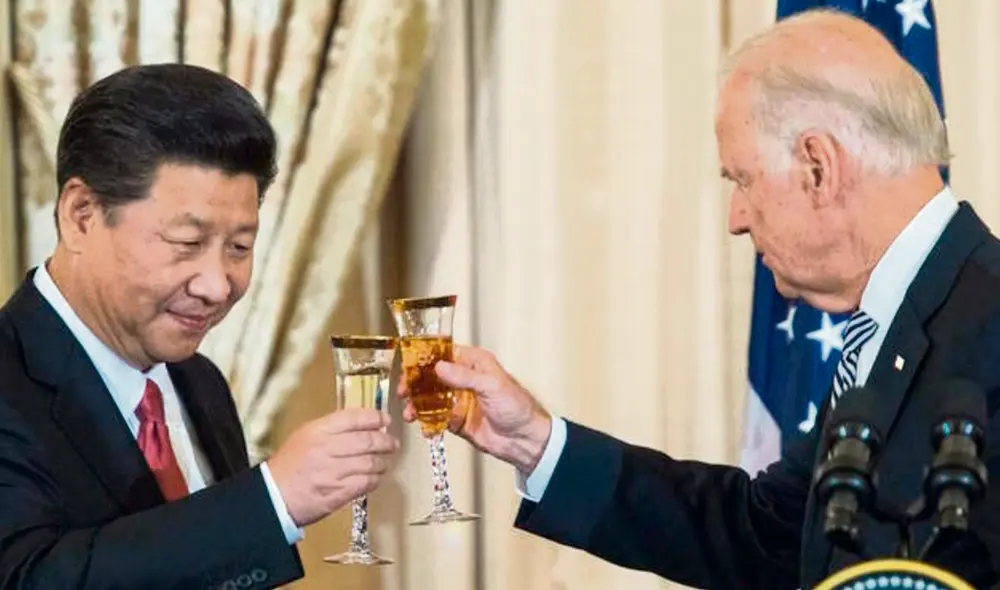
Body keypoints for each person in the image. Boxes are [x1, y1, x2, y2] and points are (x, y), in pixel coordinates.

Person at [400, 10, 1000, 589]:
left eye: (743, 180)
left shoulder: (989, 320)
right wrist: (531, 441)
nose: (736, 218)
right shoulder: (890, 322)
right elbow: (772, 536)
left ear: (818, 167)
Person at [0, 64, 399, 588]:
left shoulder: (199, 381)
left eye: (239, 247)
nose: (216, 285)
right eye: (187, 243)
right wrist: (271, 500)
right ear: (82, 215)